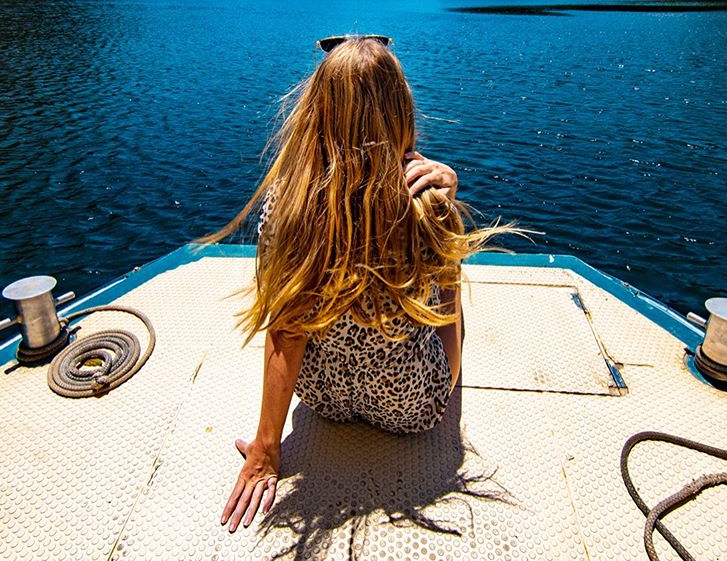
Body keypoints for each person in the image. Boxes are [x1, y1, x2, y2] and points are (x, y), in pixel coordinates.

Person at [206, 35, 515, 532]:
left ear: (316, 111)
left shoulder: (287, 207)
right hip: (413, 407)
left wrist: (266, 448)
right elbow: (441, 306)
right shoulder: (426, 203)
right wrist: (448, 203)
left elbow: (286, 333)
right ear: (400, 111)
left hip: (321, 397)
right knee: (449, 279)